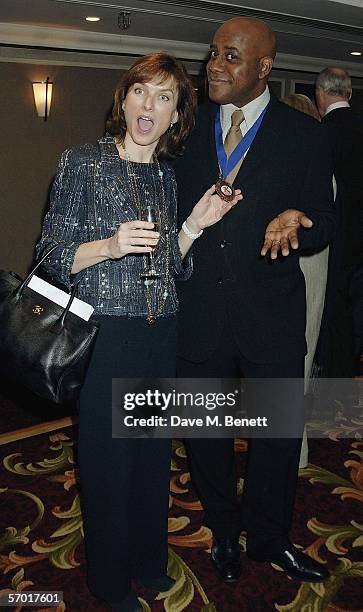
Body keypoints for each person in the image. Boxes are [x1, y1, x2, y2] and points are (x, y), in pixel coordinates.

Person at [35, 52, 241, 612]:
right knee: (108, 465)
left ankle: (147, 562)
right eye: (141, 93)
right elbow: (48, 258)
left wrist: (194, 225)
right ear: (123, 99)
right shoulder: (83, 163)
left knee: (152, 459)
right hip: (107, 339)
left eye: (164, 98)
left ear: (177, 115)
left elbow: (169, 264)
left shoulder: (168, 179)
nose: (149, 107)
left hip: (161, 332)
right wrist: (109, 245)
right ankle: (108, 581)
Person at [174, 17, 336, 585]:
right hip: (199, 316)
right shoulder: (186, 126)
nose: (214, 65)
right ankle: (222, 530)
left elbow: (326, 221)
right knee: (206, 436)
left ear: (263, 68)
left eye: (231, 57)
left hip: (270, 317)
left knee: (275, 438)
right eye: (214, 53)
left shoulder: (305, 135)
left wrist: (301, 221)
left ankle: (269, 539)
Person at [281, 93, 332, 468]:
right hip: (317, 268)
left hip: (299, 266)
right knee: (301, 354)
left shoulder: (300, 165)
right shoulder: (322, 167)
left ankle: (292, 449)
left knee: (291, 360)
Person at [315, 67, 363, 379]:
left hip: (336, 237)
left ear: (320, 93)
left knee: (334, 310)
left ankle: (335, 377)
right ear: (349, 93)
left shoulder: (320, 133)